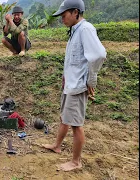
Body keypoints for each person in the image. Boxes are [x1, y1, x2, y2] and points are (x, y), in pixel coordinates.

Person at [42, 0, 106, 172]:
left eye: (64, 15)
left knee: (76, 124)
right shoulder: (75, 31)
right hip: (70, 83)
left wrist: (91, 81)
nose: (62, 19)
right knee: (65, 116)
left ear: (75, 12)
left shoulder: (85, 29)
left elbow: (99, 55)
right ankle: (57, 145)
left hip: (77, 85)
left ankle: (76, 161)